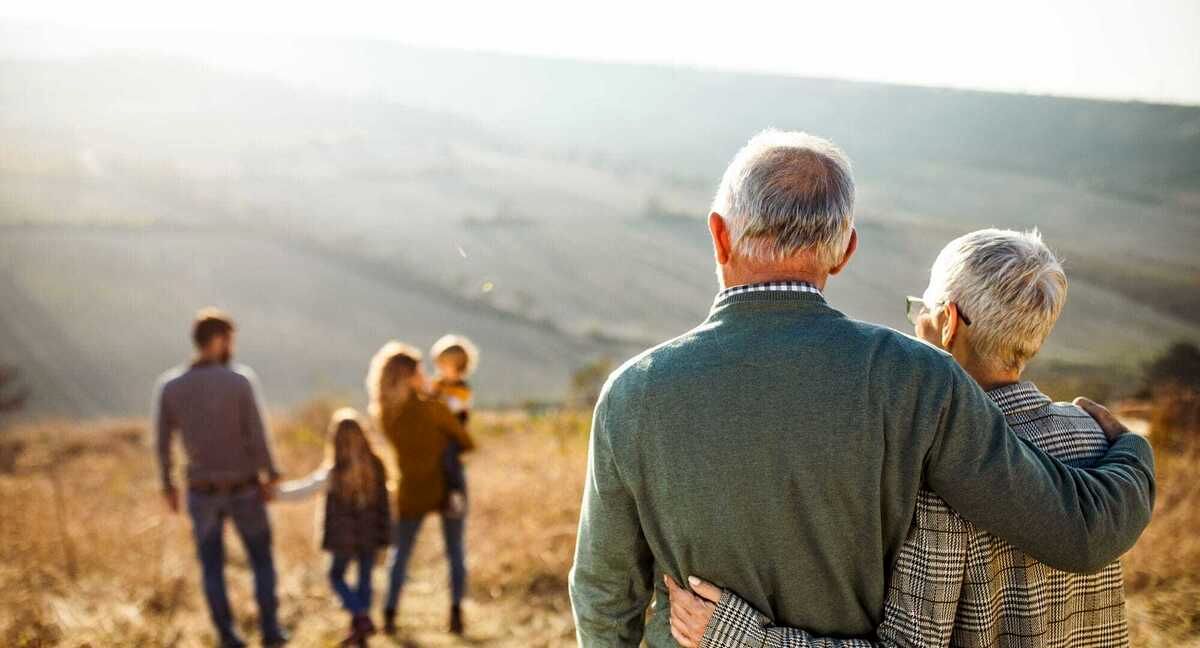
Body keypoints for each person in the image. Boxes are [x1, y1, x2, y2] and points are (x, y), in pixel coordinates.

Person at [568, 130, 1156, 647]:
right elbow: (1072, 529)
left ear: (719, 237)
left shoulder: (632, 393)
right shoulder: (919, 379)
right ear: (845, 251)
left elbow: (604, 593)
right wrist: (1130, 450)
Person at [666, 229, 1135, 647]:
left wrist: (739, 636)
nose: (915, 324)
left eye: (921, 310)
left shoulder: (939, 471)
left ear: (948, 323)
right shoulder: (1095, 438)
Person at [154, 308, 288, 648]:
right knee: (261, 560)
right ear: (218, 340)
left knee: (211, 566)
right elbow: (257, 434)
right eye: (230, 340)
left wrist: (168, 485)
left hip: (201, 491)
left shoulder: (171, 386)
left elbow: (162, 442)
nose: (232, 347)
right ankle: (270, 631)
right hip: (243, 486)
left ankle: (228, 637)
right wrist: (270, 474)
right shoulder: (239, 381)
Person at [367, 341, 477, 636]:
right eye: (418, 370)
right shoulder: (432, 408)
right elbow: (466, 440)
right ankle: (455, 615)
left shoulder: (385, 414)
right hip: (448, 485)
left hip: (411, 488)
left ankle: (389, 614)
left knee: (400, 554)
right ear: (409, 375)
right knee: (455, 550)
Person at [276, 408, 391, 646]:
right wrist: (385, 533)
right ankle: (360, 626)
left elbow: (304, 489)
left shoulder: (334, 471)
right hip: (370, 535)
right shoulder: (377, 466)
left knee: (336, 576)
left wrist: (275, 493)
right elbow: (385, 505)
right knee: (365, 580)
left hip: (343, 538)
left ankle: (360, 618)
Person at [428, 333, 480, 519]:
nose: (440, 369)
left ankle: (455, 493)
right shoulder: (437, 384)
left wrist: (438, 400)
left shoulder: (463, 389)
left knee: (450, 459)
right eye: (439, 365)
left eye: (444, 365)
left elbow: (453, 409)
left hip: (454, 435)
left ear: (458, 366)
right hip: (437, 435)